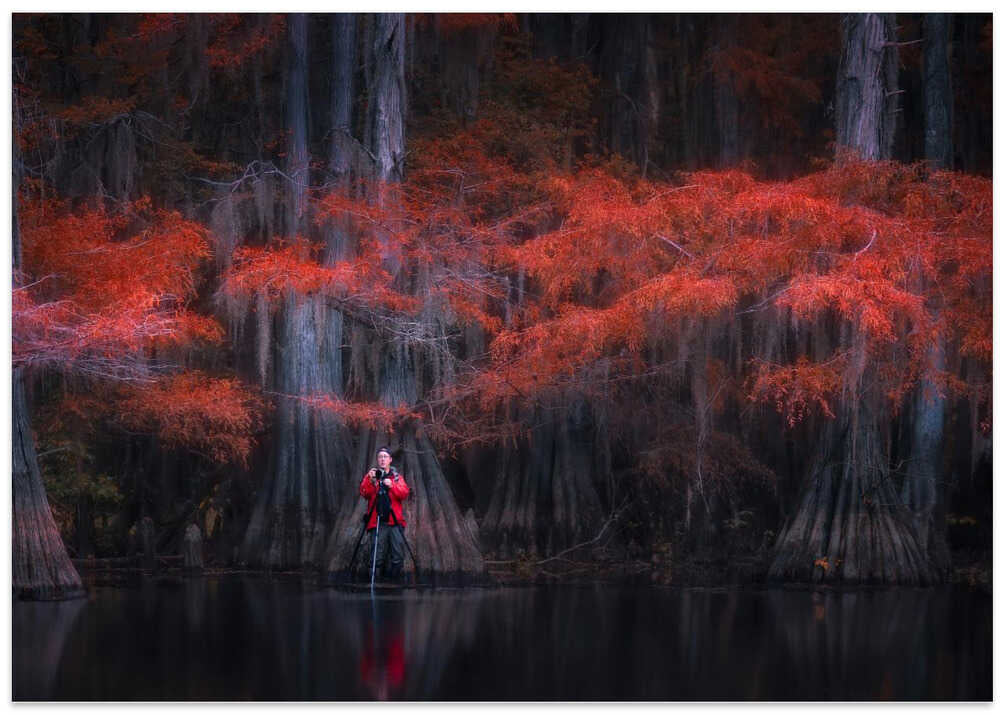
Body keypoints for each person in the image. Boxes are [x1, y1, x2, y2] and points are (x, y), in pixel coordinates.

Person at [359, 446, 410, 581]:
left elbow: (404, 493)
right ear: (377, 460)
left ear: (390, 460)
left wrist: (392, 485)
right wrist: (370, 481)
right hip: (377, 521)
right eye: (380, 457)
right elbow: (364, 493)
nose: (382, 459)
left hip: (395, 522)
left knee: (398, 554)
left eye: (385, 457)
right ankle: (375, 582)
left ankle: (394, 582)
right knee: (377, 555)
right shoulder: (372, 475)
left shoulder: (397, 477)